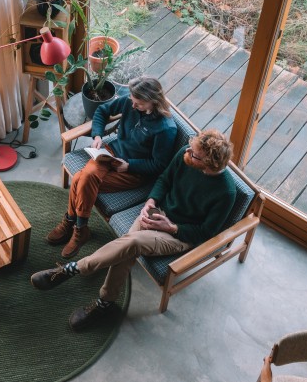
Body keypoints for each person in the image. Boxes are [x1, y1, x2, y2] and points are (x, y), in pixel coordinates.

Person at [31, 129, 237, 331]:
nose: (187, 153)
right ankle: (105, 303)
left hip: (180, 234)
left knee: (133, 242)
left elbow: (205, 233)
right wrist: (151, 201)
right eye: (191, 148)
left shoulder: (226, 192)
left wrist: (171, 227)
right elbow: (164, 179)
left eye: (194, 155)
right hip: (158, 212)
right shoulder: (187, 153)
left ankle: (72, 269)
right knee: (128, 245)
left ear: (208, 164)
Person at [46, 76, 177, 259]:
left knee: (79, 179)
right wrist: (98, 135)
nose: (132, 106)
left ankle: (73, 223)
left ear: (152, 101)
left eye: (138, 103)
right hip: (110, 152)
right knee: (86, 177)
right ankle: (79, 228)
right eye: (132, 101)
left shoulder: (165, 129)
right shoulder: (130, 101)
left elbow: (159, 165)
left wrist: (130, 166)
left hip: (133, 171)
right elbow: (102, 111)